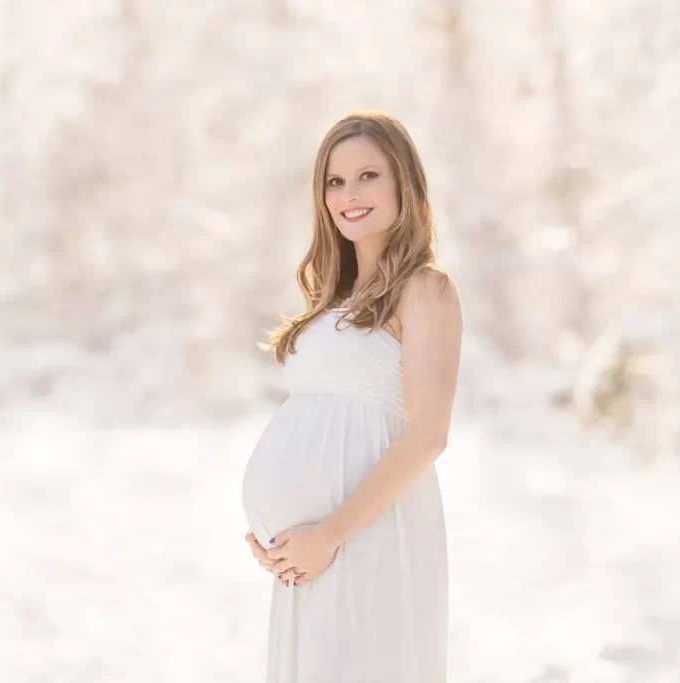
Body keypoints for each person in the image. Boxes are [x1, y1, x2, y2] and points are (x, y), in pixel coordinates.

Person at [241, 111, 464, 682]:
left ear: (403, 184)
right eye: (334, 182)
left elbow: (427, 436)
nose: (349, 194)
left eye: (368, 175)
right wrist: (276, 536)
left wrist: (329, 535)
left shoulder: (425, 289)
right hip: (312, 559)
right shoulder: (330, 302)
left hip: (368, 538)